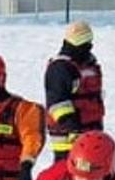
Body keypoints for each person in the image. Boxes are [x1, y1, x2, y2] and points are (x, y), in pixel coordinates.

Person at [44, 21, 104, 162]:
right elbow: (57, 103)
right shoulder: (60, 68)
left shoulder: (87, 65)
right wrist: (73, 128)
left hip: (91, 134)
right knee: (66, 176)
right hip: (67, 139)